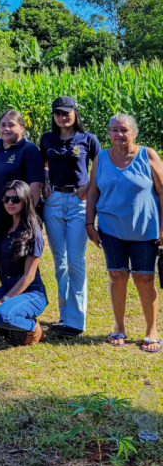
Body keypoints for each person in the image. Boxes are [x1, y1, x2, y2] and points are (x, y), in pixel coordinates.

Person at [85, 113, 163, 354]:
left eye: (124, 130)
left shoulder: (147, 155)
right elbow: (93, 193)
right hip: (111, 228)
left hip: (145, 228)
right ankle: (119, 327)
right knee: (117, 276)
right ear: (108, 134)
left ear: (134, 133)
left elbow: (162, 192)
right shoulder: (101, 158)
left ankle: (151, 330)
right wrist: (89, 223)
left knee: (145, 279)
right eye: (114, 130)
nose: (119, 134)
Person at [39, 96, 100, 339]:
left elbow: (99, 163)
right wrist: (44, 180)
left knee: (76, 261)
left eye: (66, 112)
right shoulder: (47, 139)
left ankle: (77, 320)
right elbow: (43, 163)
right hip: (53, 201)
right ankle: (64, 315)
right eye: (57, 113)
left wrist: (88, 185)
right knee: (59, 262)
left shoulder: (88, 139)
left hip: (78, 202)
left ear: (75, 113)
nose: (62, 117)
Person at [0, 180, 49, 346]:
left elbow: (29, 276)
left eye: (15, 199)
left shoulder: (33, 233)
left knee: (2, 315)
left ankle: (33, 327)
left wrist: (4, 300)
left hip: (31, 292)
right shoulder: (2, 228)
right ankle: (9, 321)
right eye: (6, 200)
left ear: (25, 200)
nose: (10, 203)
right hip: (7, 286)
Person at [0, 110, 45, 251]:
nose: (6, 129)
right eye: (3, 125)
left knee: (18, 261)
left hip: (16, 217)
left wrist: (27, 217)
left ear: (22, 127)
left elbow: (36, 185)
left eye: (11, 124)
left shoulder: (29, 150)